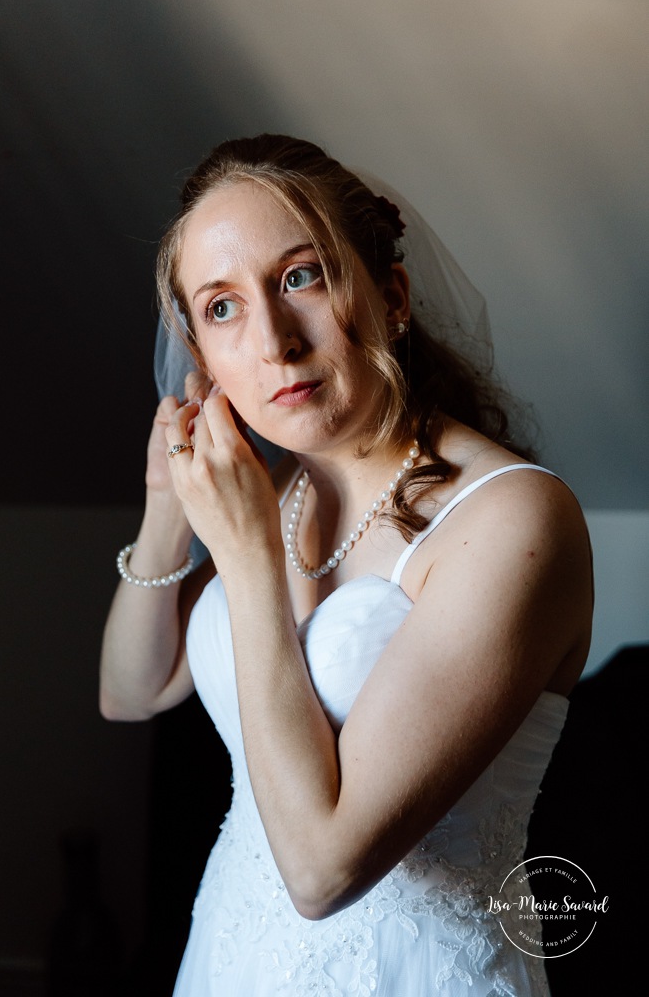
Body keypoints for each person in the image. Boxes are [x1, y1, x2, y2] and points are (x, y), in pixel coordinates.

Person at [100, 134, 593, 996]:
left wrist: (249, 560)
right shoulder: (278, 495)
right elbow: (130, 692)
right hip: (229, 958)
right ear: (200, 359)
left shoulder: (514, 519)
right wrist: (165, 505)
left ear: (391, 295)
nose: (274, 342)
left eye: (300, 277)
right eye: (221, 309)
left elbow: (323, 872)